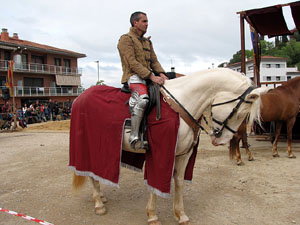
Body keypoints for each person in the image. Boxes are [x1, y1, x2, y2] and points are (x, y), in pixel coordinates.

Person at [117, 11, 168, 149]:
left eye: (147, 21)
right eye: (144, 21)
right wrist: (152, 76)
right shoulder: (125, 39)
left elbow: (154, 61)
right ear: (135, 23)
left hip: (148, 77)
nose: (147, 24)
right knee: (143, 99)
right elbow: (132, 62)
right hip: (133, 76)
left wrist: (162, 74)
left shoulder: (147, 42)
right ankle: (134, 137)